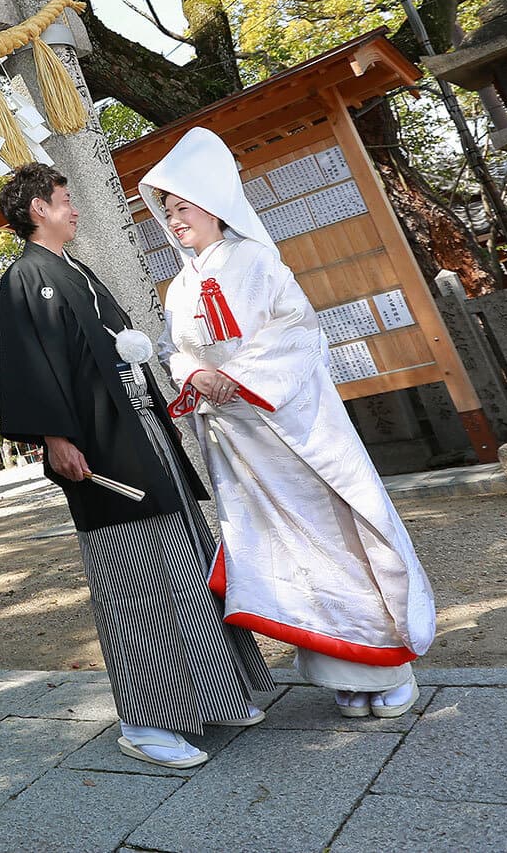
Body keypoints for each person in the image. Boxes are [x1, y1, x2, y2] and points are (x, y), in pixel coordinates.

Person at [140, 127, 436, 719]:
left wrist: (239, 375)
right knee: (285, 549)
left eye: (182, 208)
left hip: (293, 430)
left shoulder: (258, 261)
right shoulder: (179, 288)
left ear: (212, 204)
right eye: (167, 212)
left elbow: (296, 330)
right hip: (239, 441)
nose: (174, 220)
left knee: (336, 536)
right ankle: (337, 671)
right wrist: (195, 374)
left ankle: (388, 663)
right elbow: (176, 349)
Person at [0, 161, 272, 769]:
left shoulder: (75, 269)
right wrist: (55, 438)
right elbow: (30, 365)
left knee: (182, 557)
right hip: (96, 442)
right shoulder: (25, 277)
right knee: (134, 575)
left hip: (140, 428)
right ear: (39, 209)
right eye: (64, 199)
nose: (74, 209)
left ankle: (215, 693)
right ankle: (146, 720)